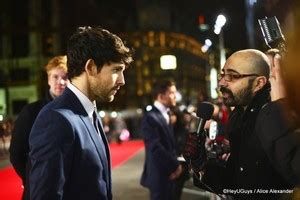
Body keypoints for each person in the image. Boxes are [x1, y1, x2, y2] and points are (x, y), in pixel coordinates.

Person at [28, 26, 133, 200]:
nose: (122, 81)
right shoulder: (56, 119)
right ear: (90, 67)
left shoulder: (89, 111)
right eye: (116, 70)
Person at [184, 49, 296, 199]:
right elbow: (237, 181)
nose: (222, 82)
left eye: (232, 76)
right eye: (223, 74)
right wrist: (202, 165)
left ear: (259, 83)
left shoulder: (279, 116)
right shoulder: (237, 116)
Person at [9, 55, 68, 200]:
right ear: (48, 79)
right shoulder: (31, 112)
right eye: (55, 76)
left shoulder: (75, 110)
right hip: (38, 191)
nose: (60, 82)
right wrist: (32, 178)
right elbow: (16, 153)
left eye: (65, 77)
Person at [140, 79, 183, 200]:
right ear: (161, 96)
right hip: (160, 175)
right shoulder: (150, 117)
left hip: (171, 174)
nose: (175, 96)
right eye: (172, 93)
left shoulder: (168, 113)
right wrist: (175, 166)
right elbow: (155, 147)